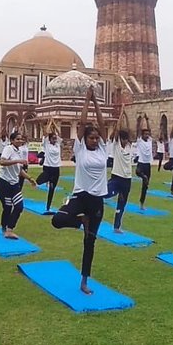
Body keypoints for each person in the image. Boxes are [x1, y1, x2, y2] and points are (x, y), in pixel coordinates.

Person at [52, 87, 108, 295]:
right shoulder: (80, 148)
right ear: (85, 139)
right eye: (91, 138)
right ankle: (80, 221)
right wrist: (87, 101)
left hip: (96, 201)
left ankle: (84, 281)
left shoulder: (103, 149)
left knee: (89, 242)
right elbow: (83, 124)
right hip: (79, 196)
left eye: (96, 138)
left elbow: (101, 124)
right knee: (57, 220)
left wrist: (96, 103)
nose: (94, 140)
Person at [0, 129, 32, 239]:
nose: (20, 141)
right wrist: (18, 161)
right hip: (4, 182)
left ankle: (9, 229)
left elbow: (19, 170)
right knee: (7, 207)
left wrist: (29, 178)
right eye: (17, 139)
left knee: (19, 206)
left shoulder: (19, 151)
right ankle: (4, 227)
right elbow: (2, 162)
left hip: (14, 183)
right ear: (12, 140)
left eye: (21, 139)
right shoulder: (9, 149)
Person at [106, 105, 134, 232]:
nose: (124, 141)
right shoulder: (116, 145)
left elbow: (128, 129)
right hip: (116, 177)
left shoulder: (129, 147)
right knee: (104, 194)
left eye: (126, 139)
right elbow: (117, 130)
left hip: (127, 179)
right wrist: (121, 114)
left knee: (122, 202)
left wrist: (126, 116)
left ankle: (116, 226)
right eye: (123, 139)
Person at [37, 121, 63, 211]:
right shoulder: (47, 144)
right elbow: (45, 133)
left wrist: (54, 123)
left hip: (56, 169)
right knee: (38, 181)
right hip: (48, 168)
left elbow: (59, 132)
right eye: (53, 138)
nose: (55, 139)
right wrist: (50, 123)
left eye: (56, 138)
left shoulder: (57, 144)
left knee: (52, 189)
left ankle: (48, 207)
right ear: (49, 139)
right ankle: (48, 180)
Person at [134, 119, 155, 210]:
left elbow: (150, 130)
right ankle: (143, 176)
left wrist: (147, 120)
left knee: (145, 186)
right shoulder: (139, 141)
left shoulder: (150, 141)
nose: (147, 135)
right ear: (142, 135)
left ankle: (142, 203)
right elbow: (138, 131)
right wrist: (142, 119)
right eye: (145, 134)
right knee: (138, 172)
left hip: (147, 164)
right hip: (141, 163)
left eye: (147, 134)